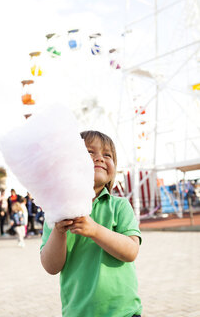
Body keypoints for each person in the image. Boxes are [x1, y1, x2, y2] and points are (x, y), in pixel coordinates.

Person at [40, 130, 142, 317]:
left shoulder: (119, 206)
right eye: (90, 152)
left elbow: (131, 251)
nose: (100, 158)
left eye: (107, 155)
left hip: (124, 312)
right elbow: (51, 267)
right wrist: (58, 232)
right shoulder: (56, 213)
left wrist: (95, 230)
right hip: (78, 312)